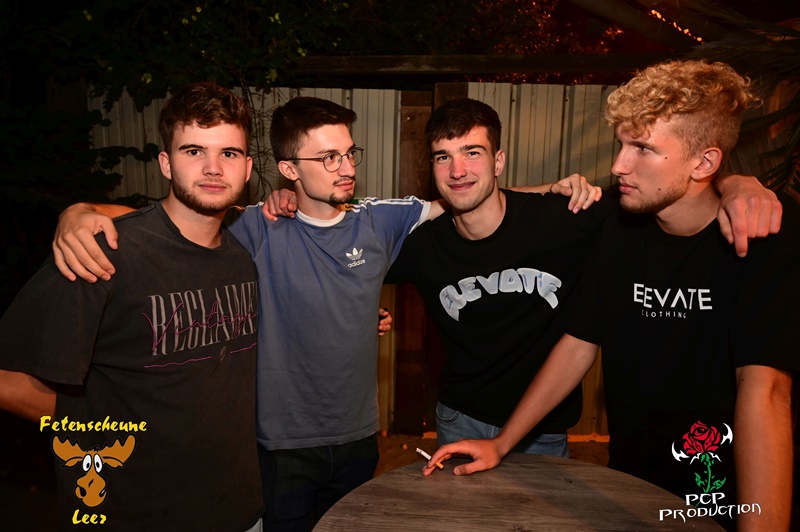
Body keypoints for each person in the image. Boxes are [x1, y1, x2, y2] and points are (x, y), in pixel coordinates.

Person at [422, 60, 798, 531]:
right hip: (632, 480)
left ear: (704, 162)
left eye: (643, 148)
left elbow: (766, 393)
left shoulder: (764, 232)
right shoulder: (618, 224)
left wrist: (740, 183)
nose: (619, 165)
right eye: (621, 145)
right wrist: (502, 443)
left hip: (726, 492)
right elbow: (579, 342)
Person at [0, 82, 264, 531]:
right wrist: (97, 425)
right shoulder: (103, 251)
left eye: (229, 153)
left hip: (239, 511)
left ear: (247, 167)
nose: (213, 168)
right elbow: (8, 378)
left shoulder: (241, 256)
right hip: (131, 515)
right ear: (166, 163)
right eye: (194, 151)